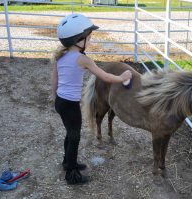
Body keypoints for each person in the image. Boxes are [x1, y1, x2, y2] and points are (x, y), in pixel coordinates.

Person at [51, 13, 132, 185]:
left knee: (70, 133)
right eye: (89, 37)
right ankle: (71, 175)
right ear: (79, 39)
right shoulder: (83, 59)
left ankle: (68, 162)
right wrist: (123, 76)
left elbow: (54, 82)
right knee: (74, 137)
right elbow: (106, 77)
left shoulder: (61, 57)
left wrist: (56, 99)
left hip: (60, 101)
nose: (91, 41)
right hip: (71, 105)